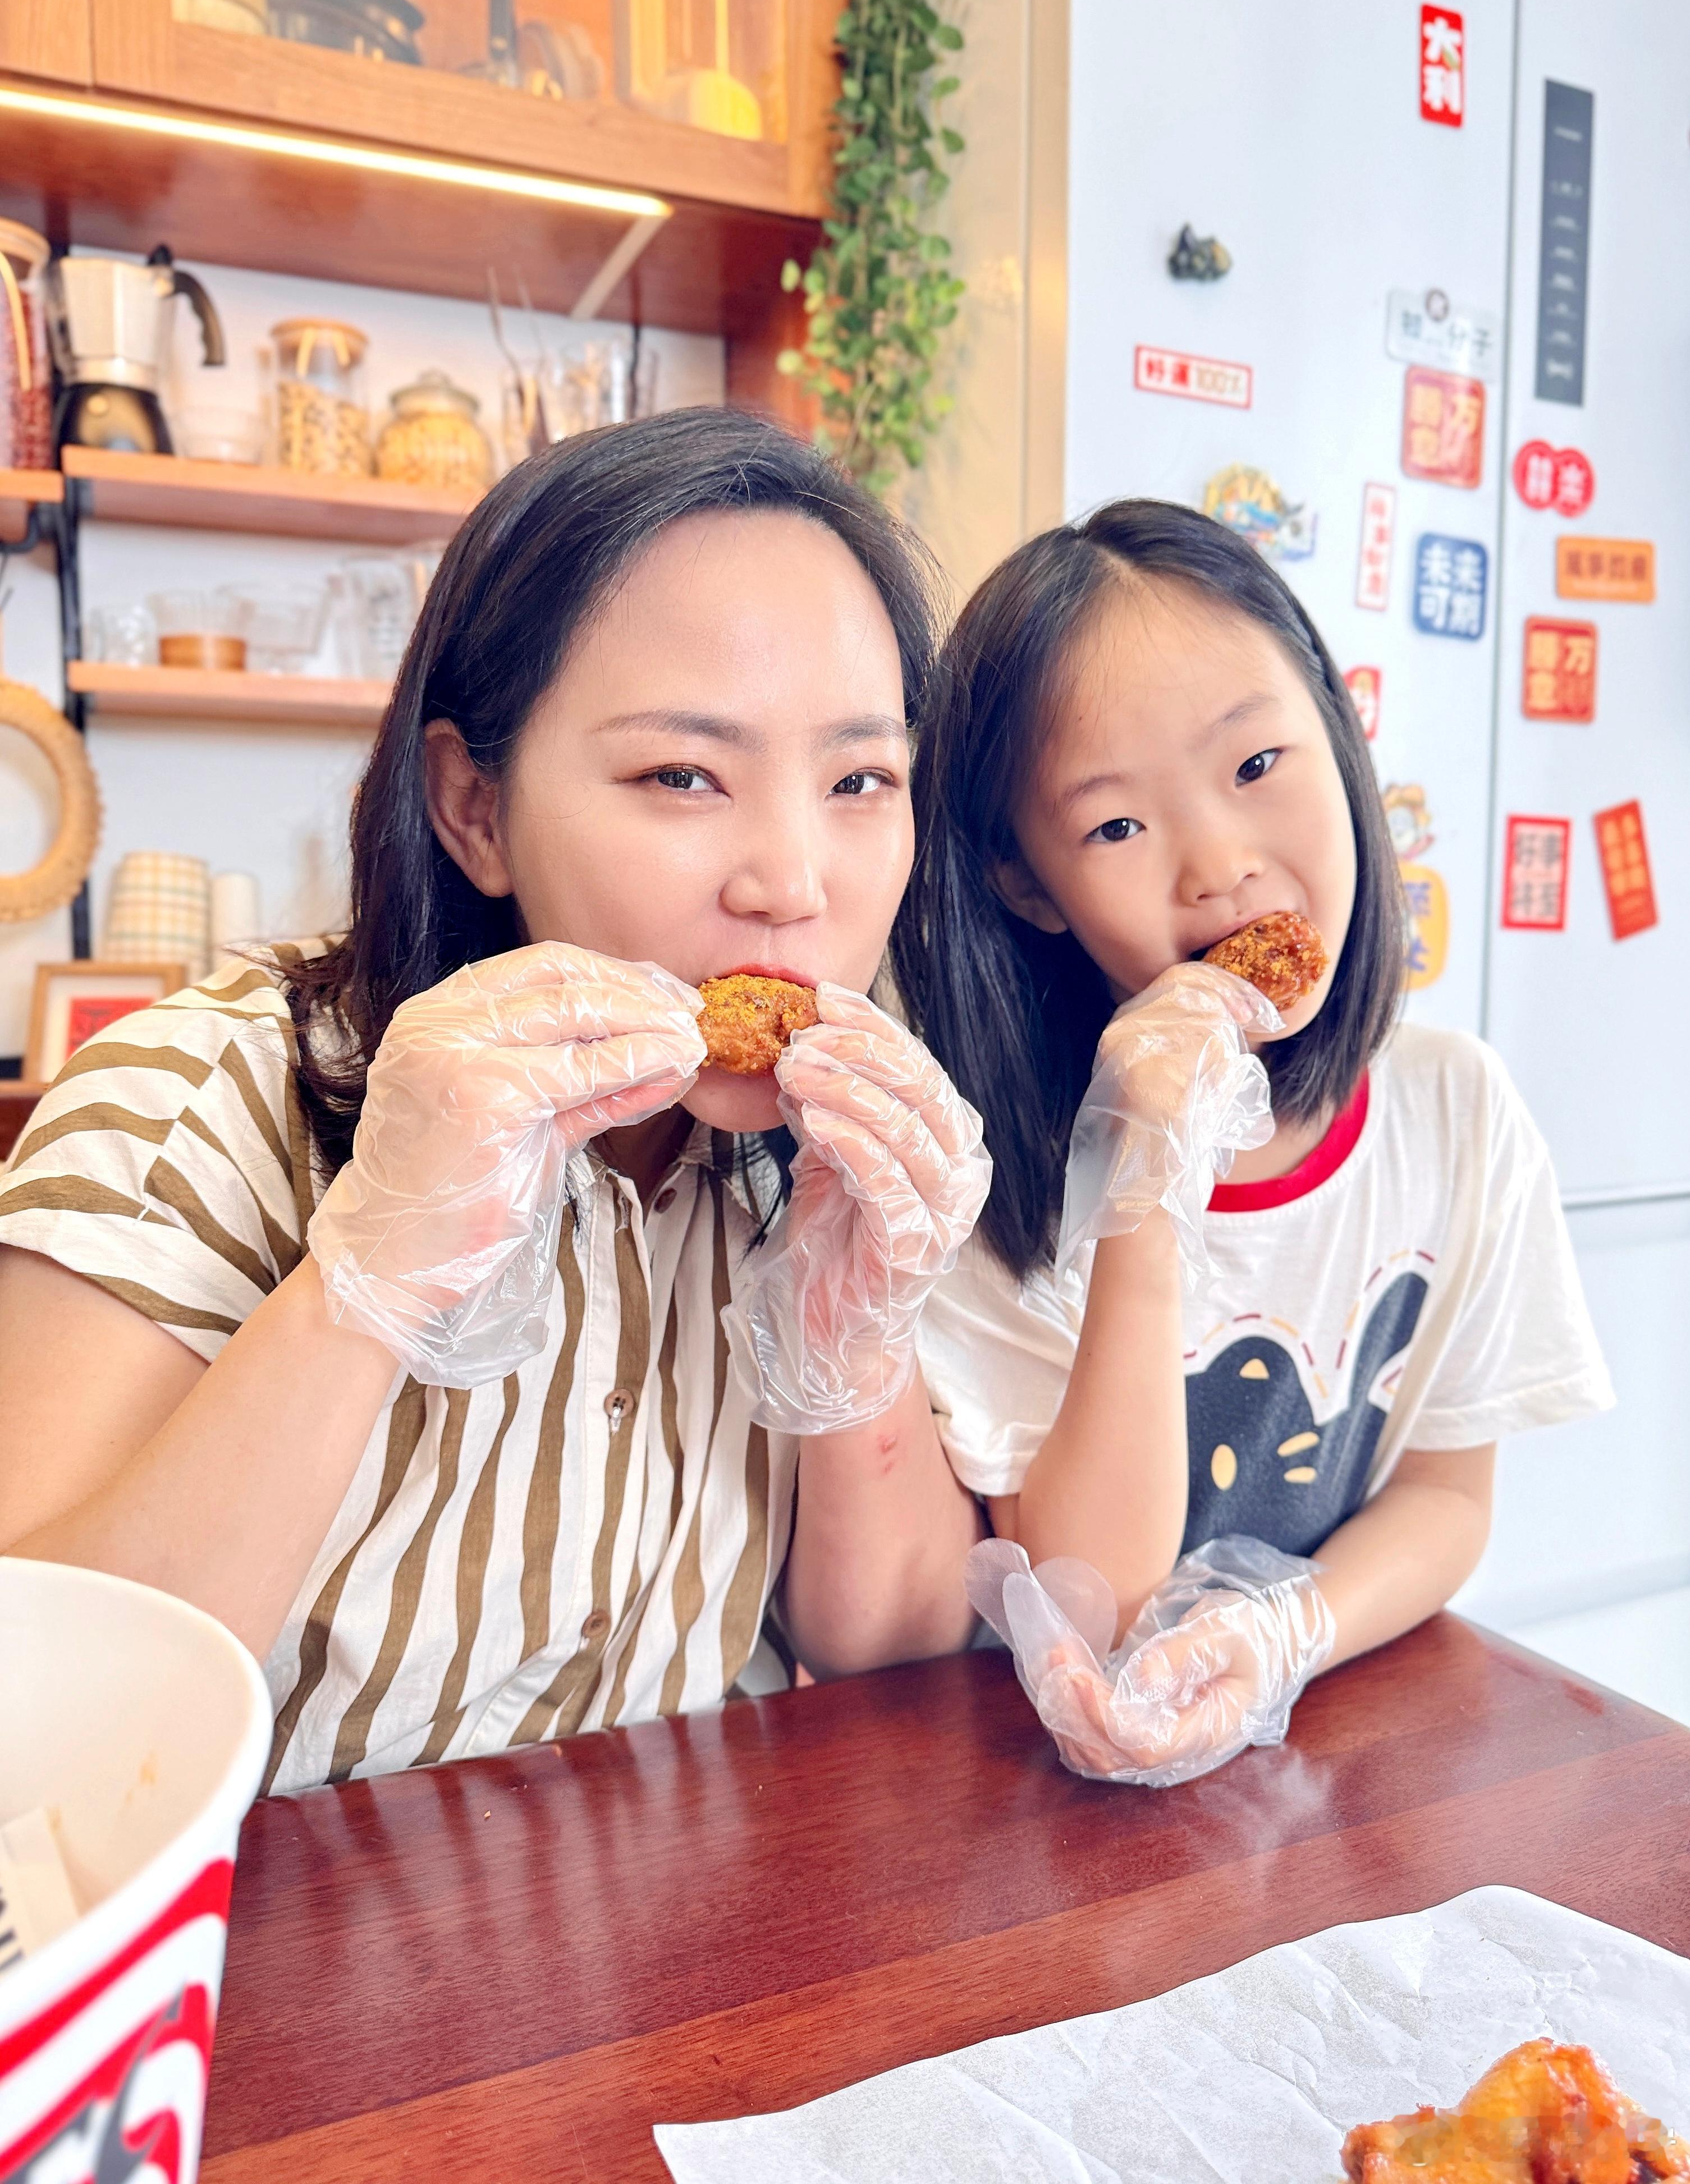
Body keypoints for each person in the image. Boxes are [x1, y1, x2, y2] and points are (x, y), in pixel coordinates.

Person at [0, 409, 987, 1793]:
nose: (793, 883)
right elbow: (32, 1739)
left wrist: (852, 1337)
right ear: (474, 807)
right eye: (683, 776)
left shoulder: (817, 1167)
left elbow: (889, 1650)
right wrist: (365, 1284)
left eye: (860, 780)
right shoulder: (194, 1108)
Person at [894, 498, 1611, 1783]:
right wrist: (1145, 1181)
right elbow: (1095, 1603)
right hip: (1049, 1799)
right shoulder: (988, 1178)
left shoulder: (1455, 1111)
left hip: (1351, 1767)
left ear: (1337, 729)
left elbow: (1447, 1499)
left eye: (1257, 764)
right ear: (1029, 885)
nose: (1220, 867)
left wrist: (1288, 1633)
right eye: (1116, 827)